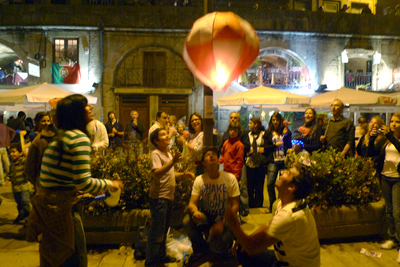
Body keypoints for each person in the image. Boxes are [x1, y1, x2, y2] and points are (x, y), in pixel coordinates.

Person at [26, 94, 123, 267]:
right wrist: (110, 184)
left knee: (53, 257)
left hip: (48, 208)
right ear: (76, 113)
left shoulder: (62, 137)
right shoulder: (78, 138)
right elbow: (83, 182)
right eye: (86, 106)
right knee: (73, 258)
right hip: (63, 210)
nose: (90, 108)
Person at [224, 164, 320, 267]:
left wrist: (233, 223)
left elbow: (251, 247)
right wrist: (247, 238)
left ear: (292, 187)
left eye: (287, 173)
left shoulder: (289, 215)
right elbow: (270, 224)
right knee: (243, 251)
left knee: (247, 249)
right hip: (283, 259)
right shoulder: (290, 202)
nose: (282, 172)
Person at [145, 128, 194, 267]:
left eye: (167, 134)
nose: (167, 136)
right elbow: (157, 173)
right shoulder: (156, 154)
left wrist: (183, 174)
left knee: (164, 231)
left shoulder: (166, 153)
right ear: (156, 141)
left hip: (167, 197)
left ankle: (160, 257)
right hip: (159, 198)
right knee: (157, 232)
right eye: (163, 135)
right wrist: (173, 161)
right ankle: (151, 262)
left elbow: (170, 173)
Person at [183, 148, 240, 265]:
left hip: (227, 218)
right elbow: (192, 203)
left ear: (218, 160)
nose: (211, 156)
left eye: (214, 154)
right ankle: (201, 250)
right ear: (204, 163)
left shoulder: (229, 178)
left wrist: (222, 223)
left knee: (218, 248)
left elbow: (235, 205)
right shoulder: (200, 179)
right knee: (187, 221)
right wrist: (195, 212)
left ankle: (226, 249)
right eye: (207, 155)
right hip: (208, 216)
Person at [369, 113, 400, 262]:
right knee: (389, 210)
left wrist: (391, 136)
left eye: (397, 122)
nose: (393, 124)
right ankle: (392, 238)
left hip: (398, 179)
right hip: (385, 177)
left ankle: (399, 243)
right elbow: (371, 153)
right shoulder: (386, 141)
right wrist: (372, 138)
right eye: (392, 121)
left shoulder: (393, 139)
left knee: (397, 211)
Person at [219, 111, 250, 216]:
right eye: (231, 117)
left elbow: (240, 159)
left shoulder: (240, 142)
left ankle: (241, 210)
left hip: (236, 169)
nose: (232, 132)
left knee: (239, 190)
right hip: (226, 170)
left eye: (235, 117)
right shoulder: (226, 141)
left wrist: (237, 174)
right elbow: (223, 155)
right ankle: (229, 212)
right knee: (228, 192)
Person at [265, 112, 292, 213]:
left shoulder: (285, 132)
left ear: (280, 121)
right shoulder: (268, 133)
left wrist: (286, 134)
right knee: (270, 183)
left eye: (277, 120)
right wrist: (275, 145)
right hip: (273, 161)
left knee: (284, 183)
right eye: (273, 120)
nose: (275, 122)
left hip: (284, 161)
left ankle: (281, 205)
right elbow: (265, 148)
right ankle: (272, 205)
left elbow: (289, 145)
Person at [246, 117, 270, 209]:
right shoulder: (248, 135)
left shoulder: (264, 134)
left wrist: (262, 149)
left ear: (256, 125)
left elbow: (269, 146)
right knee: (250, 184)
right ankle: (251, 203)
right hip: (250, 161)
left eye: (251, 123)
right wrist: (249, 150)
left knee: (259, 184)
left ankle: (258, 204)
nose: (249, 125)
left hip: (260, 162)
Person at [7, 143, 30, 224]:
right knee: (19, 203)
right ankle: (21, 215)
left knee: (25, 202)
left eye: (14, 152)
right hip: (15, 188)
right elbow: (9, 173)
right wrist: (7, 179)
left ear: (20, 153)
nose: (11, 154)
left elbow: (29, 161)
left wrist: (25, 154)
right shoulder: (12, 164)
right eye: (10, 152)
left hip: (24, 186)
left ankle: (27, 217)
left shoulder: (23, 161)